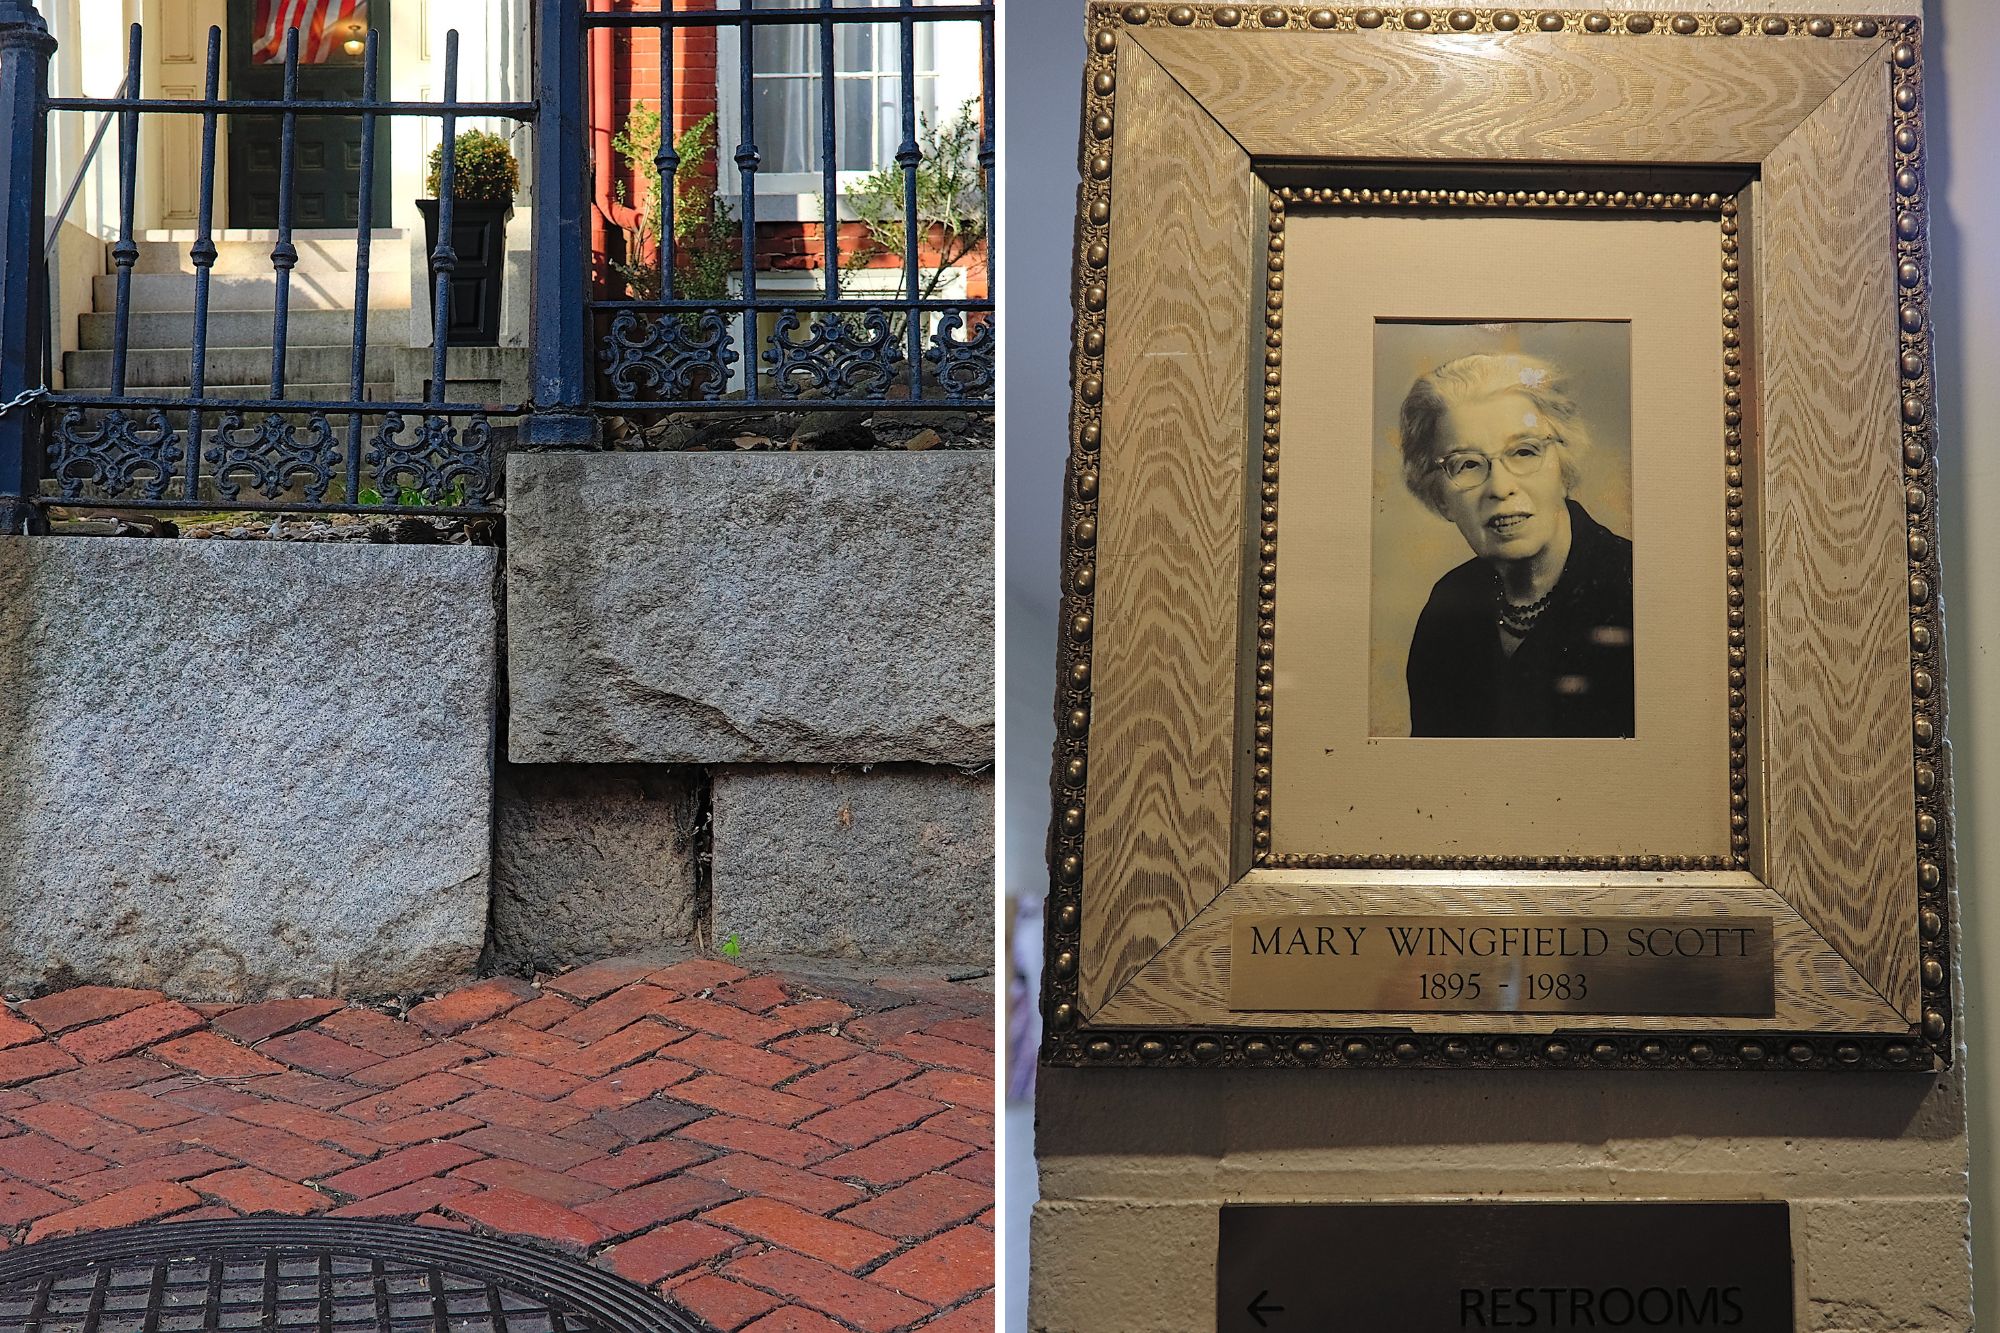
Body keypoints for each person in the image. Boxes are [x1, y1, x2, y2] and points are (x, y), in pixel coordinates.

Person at [1396, 353, 1634, 737]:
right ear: (1440, 496)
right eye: (1467, 464)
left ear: (1564, 467)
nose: (1501, 487)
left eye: (1524, 452)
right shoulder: (1448, 605)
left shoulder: (1635, 589)